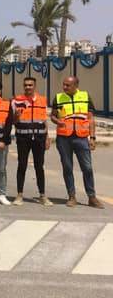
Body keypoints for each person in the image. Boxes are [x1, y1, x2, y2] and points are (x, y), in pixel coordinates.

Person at [51, 76, 103, 208]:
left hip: (81, 138)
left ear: (75, 85)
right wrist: (57, 121)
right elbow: (53, 116)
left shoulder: (85, 96)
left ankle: (92, 197)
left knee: (87, 168)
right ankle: (71, 196)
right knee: (67, 167)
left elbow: (91, 119)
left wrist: (92, 138)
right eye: (64, 84)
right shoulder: (58, 98)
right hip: (64, 138)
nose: (64, 87)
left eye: (67, 85)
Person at [12, 76, 50, 206]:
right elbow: (13, 121)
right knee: (22, 165)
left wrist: (47, 137)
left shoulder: (42, 100)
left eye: (30, 85)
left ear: (34, 86)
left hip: (39, 138)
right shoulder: (17, 100)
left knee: (39, 166)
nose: (28, 87)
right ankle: (19, 195)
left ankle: (42, 195)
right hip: (23, 138)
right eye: (26, 85)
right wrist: (16, 116)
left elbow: (44, 120)